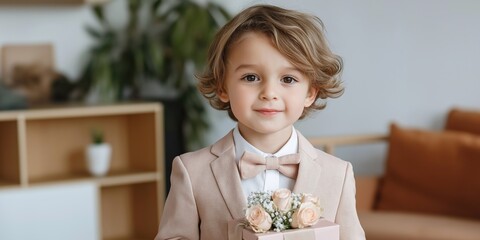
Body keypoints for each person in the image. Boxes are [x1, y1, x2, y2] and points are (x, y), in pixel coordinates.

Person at [155, 4, 365, 240]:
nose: (269, 93)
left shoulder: (338, 174)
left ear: (311, 92)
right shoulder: (192, 171)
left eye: (288, 79)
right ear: (223, 86)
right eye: (251, 77)